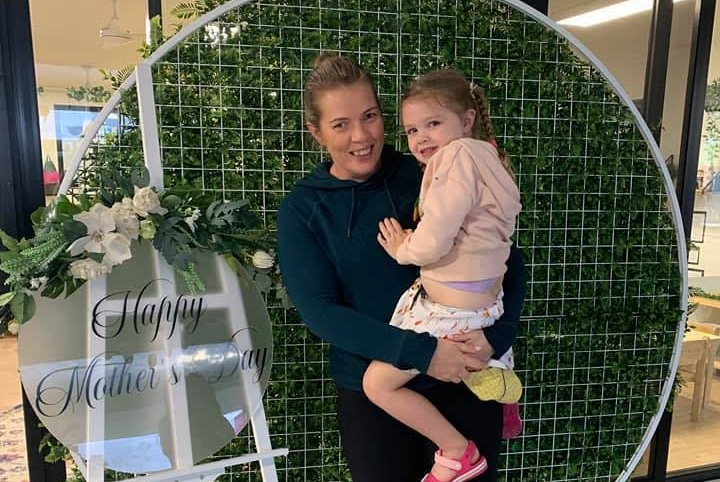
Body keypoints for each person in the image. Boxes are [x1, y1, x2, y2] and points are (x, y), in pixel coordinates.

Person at [277, 53, 526, 482]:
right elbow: (321, 311)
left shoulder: (430, 170)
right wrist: (422, 353)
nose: (361, 135)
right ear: (315, 132)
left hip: (463, 377)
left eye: (370, 116)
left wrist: (495, 338)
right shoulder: (304, 209)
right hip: (373, 395)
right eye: (341, 124)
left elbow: (508, 258)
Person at [362, 69, 522, 482]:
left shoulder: (456, 157)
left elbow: (436, 238)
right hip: (481, 304)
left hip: (451, 307)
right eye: (413, 129)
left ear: (466, 120)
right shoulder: (489, 158)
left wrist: (404, 250)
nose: (421, 138)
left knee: (377, 385)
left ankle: (456, 452)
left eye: (433, 123)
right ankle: (495, 378)